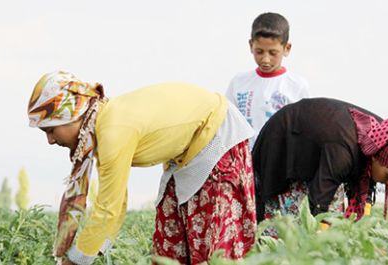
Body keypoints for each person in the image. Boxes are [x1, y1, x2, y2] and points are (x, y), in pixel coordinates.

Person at [27, 71, 257, 265]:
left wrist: (76, 261)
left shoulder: (112, 132)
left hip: (217, 137)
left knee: (213, 247)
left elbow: (109, 209)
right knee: (171, 241)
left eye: (50, 130)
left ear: (72, 116)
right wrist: (88, 253)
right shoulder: (103, 126)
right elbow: (115, 203)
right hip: (187, 151)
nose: (50, 140)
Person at [252, 98, 388, 225]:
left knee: (335, 219)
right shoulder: (343, 152)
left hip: (321, 151)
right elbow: (319, 203)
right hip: (285, 143)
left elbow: (364, 191)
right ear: (376, 157)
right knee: (288, 225)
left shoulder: (382, 138)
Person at [226, 12, 310, 150]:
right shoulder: (239, 82)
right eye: (259, 52)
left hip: (280, 162)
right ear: (250, 45)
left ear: (286, 48)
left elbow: (303, 131)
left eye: (273, 53)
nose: (265, 59)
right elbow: (228, 125)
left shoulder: (297, 86)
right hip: (245, 163)